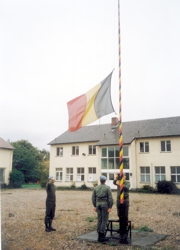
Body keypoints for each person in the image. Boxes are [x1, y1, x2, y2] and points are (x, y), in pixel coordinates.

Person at [92, 175, 113, 242]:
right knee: (104, 220)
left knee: (99, 219)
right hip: (105, 205)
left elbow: (93, 198)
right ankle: (102, 235)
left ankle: (99, 235)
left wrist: (95, 206)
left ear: (100, 181)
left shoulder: (96, 188)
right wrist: (110, 207)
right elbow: (110, 198)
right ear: (105, 181)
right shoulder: (107, 188)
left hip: (98, 204)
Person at [113, 173, 130, 243]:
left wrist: (119, 184)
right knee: (119, 214)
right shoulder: (118, 181)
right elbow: (114, 182)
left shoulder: (127, 182)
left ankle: (125, 231)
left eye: (124, 176)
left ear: (125, 176)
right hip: (118, 200)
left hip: (125, 200)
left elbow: (126, 188)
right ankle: (121, 230)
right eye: (121, 176)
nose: (123, 177)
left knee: (125, 215)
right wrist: (116, 178)